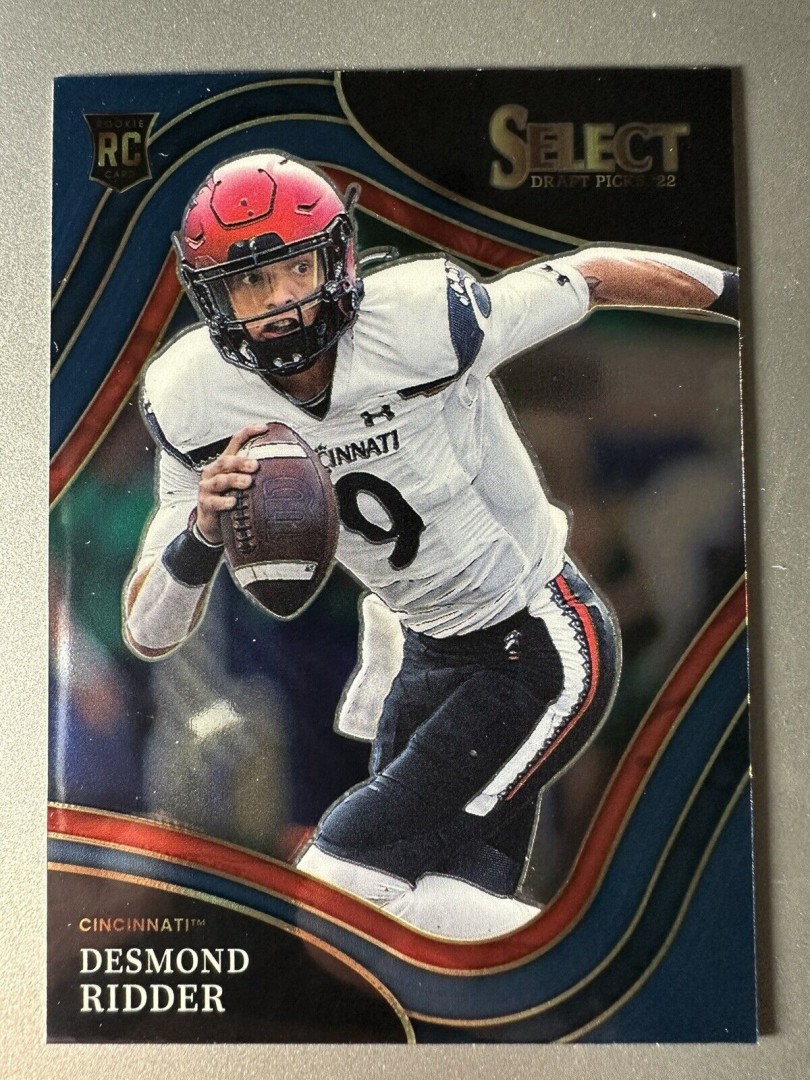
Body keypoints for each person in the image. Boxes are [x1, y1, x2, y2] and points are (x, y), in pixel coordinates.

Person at [124, 151, 738, 938]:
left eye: (296, 269)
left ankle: (632, 963)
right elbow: (150, 629)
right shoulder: (194, 397)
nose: (279, 301)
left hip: (535, 640)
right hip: (426, 656)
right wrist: (201, 534)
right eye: (251, 283)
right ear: (214, 297)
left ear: (337, 259)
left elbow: (590, 277)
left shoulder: (422, 319)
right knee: (419, 928)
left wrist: (748, 295)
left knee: (339, 885)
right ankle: (595, 978)